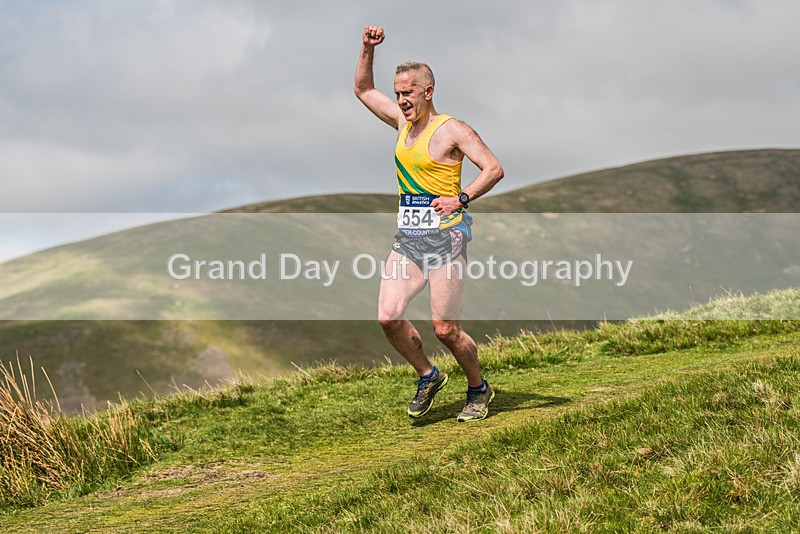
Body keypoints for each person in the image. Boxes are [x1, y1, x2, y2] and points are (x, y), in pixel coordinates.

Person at [354, 25, 504, 422]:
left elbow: (493, 168)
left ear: (428, 91)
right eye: (398, 93)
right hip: (409, 239)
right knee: (388, 317)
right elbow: (363, 90)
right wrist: (367, 48)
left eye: (408, 92)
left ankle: (478, 388)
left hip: (446, 239)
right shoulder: (402, 123)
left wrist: (461, 198)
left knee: (445, 329)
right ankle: (428, 375)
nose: (402, 100)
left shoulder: (451, 130)